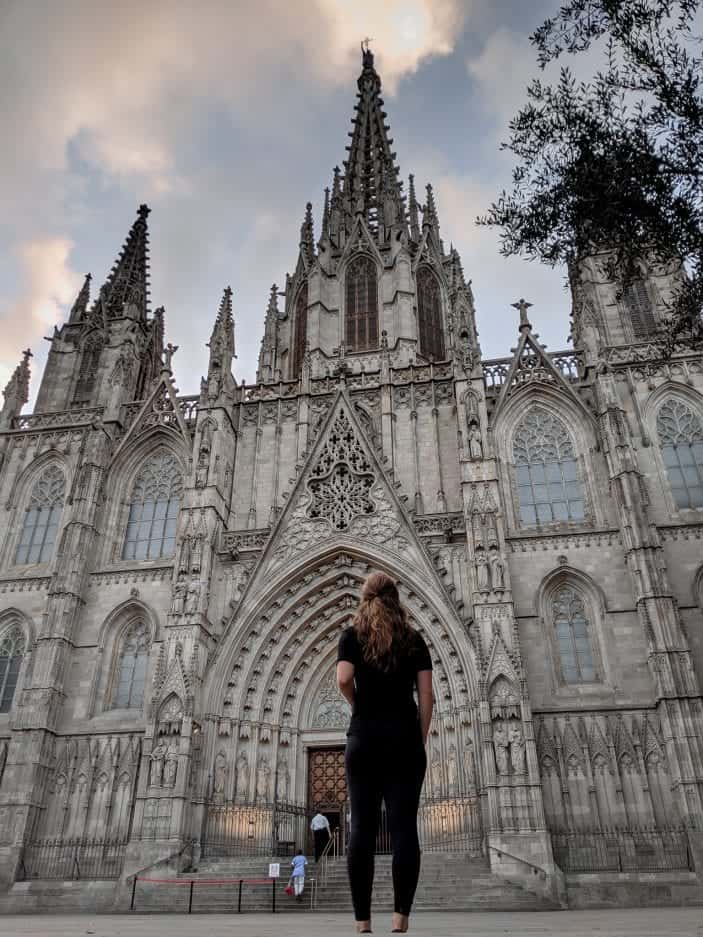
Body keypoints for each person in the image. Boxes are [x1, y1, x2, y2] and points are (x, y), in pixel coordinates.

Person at [337, 571, 434, 935]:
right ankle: (400, 918)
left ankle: (362, 922)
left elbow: (343, 679)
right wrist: (419, 735)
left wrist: (357, 705)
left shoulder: (351, 636)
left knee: (360, 829)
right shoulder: (413, 639)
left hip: (363, 738)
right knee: (404, 829)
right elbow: (427, 695)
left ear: (365, 599)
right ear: (396, 599)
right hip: (404, 740)